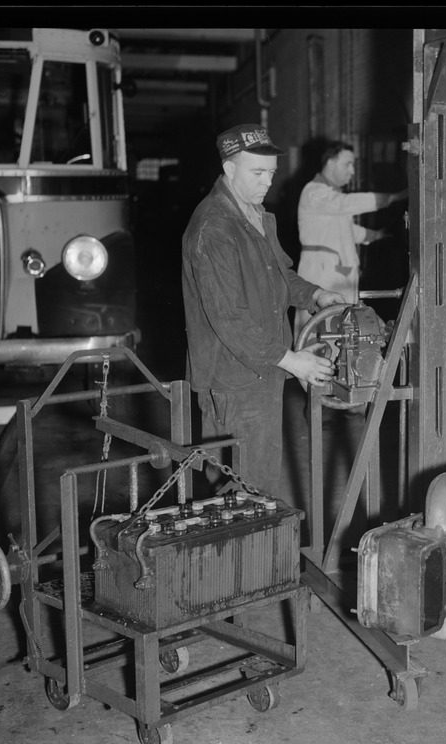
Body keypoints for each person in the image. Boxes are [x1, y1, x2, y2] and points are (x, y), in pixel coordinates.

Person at [181, 123, 345, 499]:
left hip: (260, 369)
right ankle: (238, 556)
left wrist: (317, 295)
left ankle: (242, 550)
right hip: (232, 377)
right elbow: (229, 318)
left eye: (271, 172)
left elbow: (280, 274)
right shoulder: (214, 228)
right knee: (246, 486)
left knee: (254, 479)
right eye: (258, 172)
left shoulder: (255, 215)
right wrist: (292, 360)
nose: (267, 182)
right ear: (229, 168)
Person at [295, 141, 408, 335]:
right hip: (322, 273)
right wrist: (392, 198)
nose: (352, 171)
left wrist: (376, 235)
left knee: (339, 331)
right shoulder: (314, 192)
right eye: (347, 164)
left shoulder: (329, 196)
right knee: (319, 334)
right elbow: (346, 204)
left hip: (335, 272)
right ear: (330, 162)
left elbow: (346, 230)